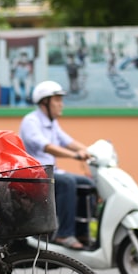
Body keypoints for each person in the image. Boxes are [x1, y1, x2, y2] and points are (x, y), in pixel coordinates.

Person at [19, 80, 94, 250]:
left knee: (88, 184)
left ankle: (82, 232)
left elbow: (68, 141)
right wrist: (75, 156)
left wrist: (90, 150)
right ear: (45, 102)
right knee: (68, 182)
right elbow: (47, 147)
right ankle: (64, 235)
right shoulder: (31, 121)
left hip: (51, 173)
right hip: (35, 175)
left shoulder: (52, 123)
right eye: (57, 100)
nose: (61, 104)